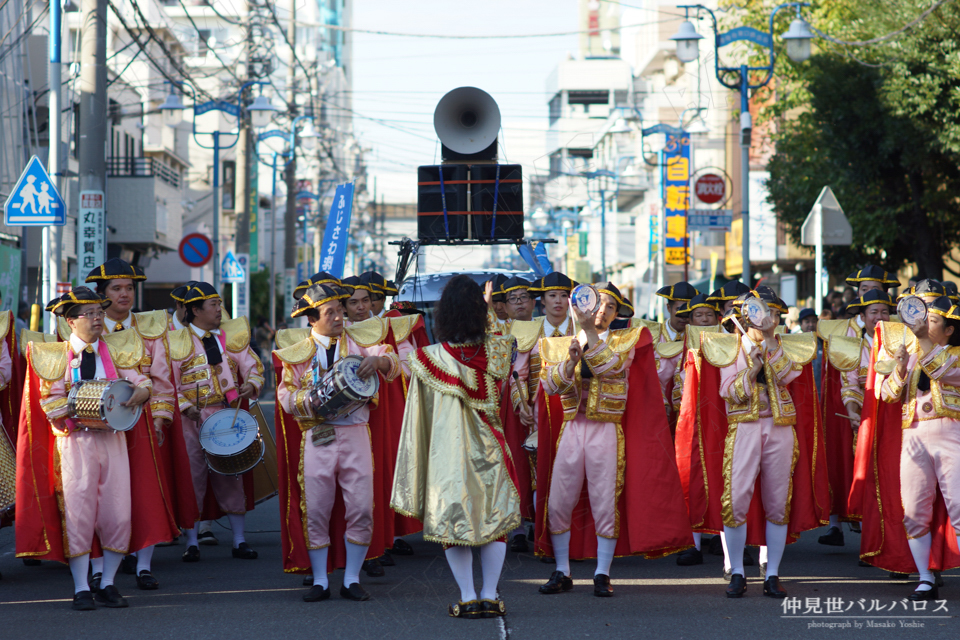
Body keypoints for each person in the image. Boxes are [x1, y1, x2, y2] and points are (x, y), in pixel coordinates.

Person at [535, 282, 692, 597]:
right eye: (599, 304)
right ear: (585, 305)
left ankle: (602, 573)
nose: (602, 312)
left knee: (604, 499)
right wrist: (569, 362)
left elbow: (613, 369)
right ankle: (562, 570)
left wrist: (588, 335)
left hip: (606, 428)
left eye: (610, 308)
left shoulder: (627, 341)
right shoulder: (559, 344)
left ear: (617, 315)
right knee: (560, 499)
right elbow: (550, 386)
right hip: (572, 426)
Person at [15, 288, 163, 610]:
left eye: (100, 312)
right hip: (75, 442)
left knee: (118, 513)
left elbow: (143, 380)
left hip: (112, 441)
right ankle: (81, 587)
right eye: (91, 313)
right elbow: (48, 402)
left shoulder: (118, 350)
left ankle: (108, 583)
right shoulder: (54, 355)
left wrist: (142, 393)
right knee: (79, 515)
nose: (98, 318)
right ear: (71, 321)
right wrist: (80, 410)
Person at [391, 275, 519, 619]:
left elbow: (419, 415)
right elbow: (494, 341)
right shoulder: (500, 350)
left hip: (445, 455)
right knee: (496, 520)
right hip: (491, 450)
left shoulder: (426, 358)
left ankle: (466, 596)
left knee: (451, 524)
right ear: (480, 313)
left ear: (443, 314)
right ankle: (490, 595)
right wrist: (488, 310)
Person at [276, 283, 402, 602]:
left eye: (339, 309)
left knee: (360, 506)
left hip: (356, 432)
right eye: (329, 311)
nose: (338, 315)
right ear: (311, 319)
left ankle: (351, 578)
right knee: (317, 507)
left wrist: (380, 363)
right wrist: (314, 401)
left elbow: (392, 361)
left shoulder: (361, 341)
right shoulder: (299, 353)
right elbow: (285, 395)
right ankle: (320, 579)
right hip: (317, 435)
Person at [84, 258, 195, 589]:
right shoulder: (87, 326)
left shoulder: (151, 326)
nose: (124, 294)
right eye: (116, 289)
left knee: (145, 491)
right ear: (101, 295)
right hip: (97, 422)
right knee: (99, 493)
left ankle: (144, 563)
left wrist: (161, 418)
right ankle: (98, 565)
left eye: (129, 288)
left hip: (142, 421)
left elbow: (162, 380)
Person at [718, 287, 822, 599]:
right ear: (745, 315)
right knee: (736, 498)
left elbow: (790, 375)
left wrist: (772, 344)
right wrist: (751, 371)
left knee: (778, 500)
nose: (769, 318)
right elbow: (728, 392)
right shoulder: (729, 347)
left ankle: (772, 572)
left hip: (779, 427)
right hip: (744, 427)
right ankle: (737, 570)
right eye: (763, 311)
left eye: (774, 313)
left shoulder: (782, 345)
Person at [168, 282, 264, 562]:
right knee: (193, 477)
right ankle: (192, 542)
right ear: (195, 310)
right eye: (214, 305)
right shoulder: (176, 341)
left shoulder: (229, 337)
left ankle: (239, 539)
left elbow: (253, 367)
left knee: (230, 474)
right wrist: (185, 407)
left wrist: (252, 385)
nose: (220, 310)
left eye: (219, 304)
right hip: (191, 420)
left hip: (225, 414)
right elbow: (166, 382)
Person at [877, 295, 960, 600]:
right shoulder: (910, 356)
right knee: (913, 509)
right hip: (912, 433)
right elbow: (886, 395)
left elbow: (944, 371)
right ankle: (925, 577)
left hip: (951, 431)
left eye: (932, 321)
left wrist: (922, 342)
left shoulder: (957, 353)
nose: (923, 324)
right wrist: (899, 370)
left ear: (949, 330)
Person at [817, 290, 895, 548]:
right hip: (868, 420)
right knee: (869, 479)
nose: (880, 317)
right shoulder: (854, 348)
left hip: (898, 422)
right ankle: (871, 542)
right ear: (862, 317)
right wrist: (853, 410)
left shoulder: (901, 345)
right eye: (874, 312)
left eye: (884, 311)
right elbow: (849, 386)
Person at [506, 272, 577, 551]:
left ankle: (574, 539)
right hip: (538, 415)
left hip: (575, 413)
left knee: (573, 475)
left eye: (563, 295)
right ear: (542, 301)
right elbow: (517, 376)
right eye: (552, 296)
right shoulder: (525, 331)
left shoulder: (581, 330)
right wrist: (520, 405)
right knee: (541, 477)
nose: (558, 301)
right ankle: (545, 539)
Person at [652, 283, 699, 425]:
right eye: (679, 309)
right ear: (668, 308)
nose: (683, 315)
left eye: (688, 310)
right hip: (657, 406)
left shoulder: (698, 338)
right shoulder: (652, 335)